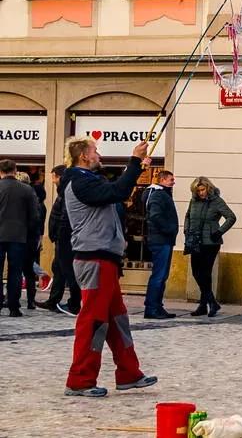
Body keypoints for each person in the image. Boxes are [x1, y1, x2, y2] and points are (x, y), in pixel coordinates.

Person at [63, 137, 157, 397]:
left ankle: (129, 373)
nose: (99, 155)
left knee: (117, 320)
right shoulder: (80, 181)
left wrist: (135, 167)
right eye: (95, 151)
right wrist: (135, 161)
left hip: (103, 257)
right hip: (94, 258)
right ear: (83, 156)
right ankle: (80, 380)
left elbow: (117, 191)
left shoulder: (88, 180)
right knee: (93, 320)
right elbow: (117, 192)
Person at [182, 176, 236, 317]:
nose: (201, 193)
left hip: (210, 242)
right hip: (195, 240)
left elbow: (231, 217)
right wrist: (186, 229)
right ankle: (210, 303)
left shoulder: (216, 201)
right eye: (198, 190)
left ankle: (205, 304)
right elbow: (187, 216)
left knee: (205, 273)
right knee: (196, 272)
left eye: (203, 189)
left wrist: (219, 232)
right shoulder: (193, 201)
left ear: (208, 188)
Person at [0, 160, 40, 316]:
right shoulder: (27, 189)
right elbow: (34, 216)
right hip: (19, 235)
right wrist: (30, 233)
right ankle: (14, 307)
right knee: (15, 272)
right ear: (15, 170)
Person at [40, 165, 80, 315]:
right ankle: (53, 300)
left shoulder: (66, 191)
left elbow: (63, 217)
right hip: (61, 237)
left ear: (59, 177)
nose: (52, 180)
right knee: (58, 269)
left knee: (68, 271)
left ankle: (74, 303)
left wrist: (58, 235)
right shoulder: (63, 192)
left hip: (65, 238)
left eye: (54, 177)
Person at [142, 170, 178, 320]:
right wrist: (169, 229)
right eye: (171, 179)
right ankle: (152, 307)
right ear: (162, 180)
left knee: (161, 275)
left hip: (162, 239)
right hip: (161, 240)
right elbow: (155, 216)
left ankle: (157, 306)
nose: (173, 182)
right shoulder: (158, 195)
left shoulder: (159, 194)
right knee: (159, 275)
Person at [17, 171, 45, 310]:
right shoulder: (36, 199)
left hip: (21, 238)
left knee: (17, 270)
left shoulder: (21, 199)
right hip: (32, 238)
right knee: (28, 271)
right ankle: (30, 301)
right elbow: (39, 222)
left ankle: (13, 298)